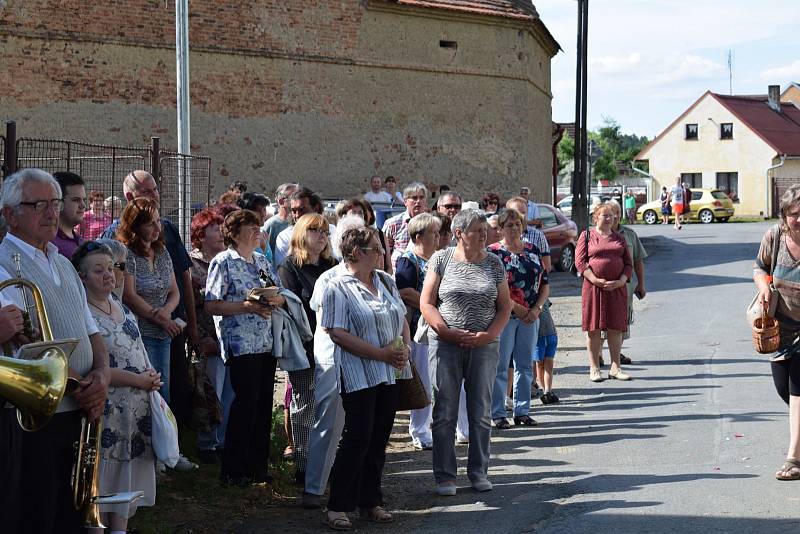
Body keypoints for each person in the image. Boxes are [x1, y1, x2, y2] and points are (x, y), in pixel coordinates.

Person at [0, 168, 110, 534]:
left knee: (70, 514)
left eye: (55, 203)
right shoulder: (2, 265)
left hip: (77, 407)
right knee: (35, 512)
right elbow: (27, 349)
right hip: (33, 415)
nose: (52, 213)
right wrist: (86, 387)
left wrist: (102, 377)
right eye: (38, 205)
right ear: (10, 215)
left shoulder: (63, 261)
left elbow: (92, 331)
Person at [321, 226, 411, 529]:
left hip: (389, 371)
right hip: (359, 373)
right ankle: (338, 505)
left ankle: (371, 500)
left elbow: (401, 317)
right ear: (358, 253)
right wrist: (380, 353)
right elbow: (337, 332)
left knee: (379, 437)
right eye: (377, 249)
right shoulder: (337, 286)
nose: (383, 254)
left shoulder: (385, 280)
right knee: (357, 437)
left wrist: (404, 348)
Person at [420, 210, 511, 496]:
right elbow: (427, 302)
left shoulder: (494, 263)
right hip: (446, 344)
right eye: (477, 230)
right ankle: (445, 476)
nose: (484, 234)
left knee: (481, 410)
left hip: (483, 346)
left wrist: (490, 335)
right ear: (459, 233)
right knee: (444, 409)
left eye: (485, 229)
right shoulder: (441, 259)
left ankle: (478, 471)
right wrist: (445, 331)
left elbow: (505, 306)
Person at [102, 170, 198, 432]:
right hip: (140, 331)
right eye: (151, 223)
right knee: (145, 389)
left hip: (163, 329)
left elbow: (175, 289)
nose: (158, 228)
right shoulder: (126, 252)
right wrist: (160, 317)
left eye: (158, 222)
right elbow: (129, 295)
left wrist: (167, 314)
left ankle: (166, 449)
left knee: (162, 388)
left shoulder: (162, 249)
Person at [72, 241, 158, 532]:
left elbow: (136, 347)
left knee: (126, 473)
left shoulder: (118, 305)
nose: (108, 275)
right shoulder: (82, 313)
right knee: (103, 476)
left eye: (111, 268)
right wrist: (138, 380)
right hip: (106, 410)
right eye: (98, 270)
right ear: (81, 277)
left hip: (134, 410)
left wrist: (151, 376)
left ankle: (119, 529)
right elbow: (94, 367)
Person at [205, 209, 287, 486]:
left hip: (265, 341)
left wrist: (275, 300)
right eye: (250, 226)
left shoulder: (262, 261)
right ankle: (233, 469)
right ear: (234, 232)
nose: (257, 230)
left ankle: (257, 466)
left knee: (264, 404)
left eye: (258, 225)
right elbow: (212, 304)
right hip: (240, 342)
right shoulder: (223, 262)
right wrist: (246, 306)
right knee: (245, 404)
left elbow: (279, 293)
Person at [303, 214, 365, 509]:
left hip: (366, 362)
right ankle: (314, 488)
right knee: (328, 424)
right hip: (335, 360)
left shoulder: (375, 278)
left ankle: (357, 489)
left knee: (362, 429)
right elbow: (331, 326)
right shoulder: (329, 278)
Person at [277, 213, 336, 484]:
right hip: (304, 346)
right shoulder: (289, 267)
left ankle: (329, 461)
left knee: (332, 406)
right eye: (314, 230)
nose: (321, 235)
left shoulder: (332, 266)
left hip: (333, 345)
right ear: (301, 233)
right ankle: (303, 463)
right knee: (304, 406)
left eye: (324, 231)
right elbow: (292, 307)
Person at [753, 184, 800, 481]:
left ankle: (793, 457)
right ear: (784, 214)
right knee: (784, 389)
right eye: (796, 214)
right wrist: (764, 289)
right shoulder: (775, 236)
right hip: (778, 326)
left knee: (798, 387)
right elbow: (759, 267)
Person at [488, 208, 548, 428]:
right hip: (505, 317)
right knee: (501, 365)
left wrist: (537, 309)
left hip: (531, 317)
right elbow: (492, 288)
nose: (513, 228)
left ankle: (522, 411)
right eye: (509, 225)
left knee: (524, 365)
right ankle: (497, 414)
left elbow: (545, 284)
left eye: (517, 224)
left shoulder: (532, 250)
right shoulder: (493, 254)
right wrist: (516, 308)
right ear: (500, 228)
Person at [189, 208, 232, 464]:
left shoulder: (228, 260)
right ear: (201, 234)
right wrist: (200, 338)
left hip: (230, 339)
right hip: (206, 339)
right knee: (209, 392)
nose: (221, 233)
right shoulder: (192, 264)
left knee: (229, 393)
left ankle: (225, 441)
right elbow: (193, 305)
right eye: (215, 229)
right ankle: (207, 443)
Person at [395, 213, 440, 450]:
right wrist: (431, 302)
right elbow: (404, 291)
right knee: (422, 378)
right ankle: (420, 431)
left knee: (440, 378)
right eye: (433, 233)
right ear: (419, 236)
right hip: (419, 328)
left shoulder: (440, 258)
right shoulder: (408, 260)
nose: (438, 237)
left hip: (440, 325)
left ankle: (440, 425)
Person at [575, 202, 634, 383]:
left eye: (611, 216)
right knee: (593, 328)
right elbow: (580, 262)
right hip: (593, 289)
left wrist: (622, 281)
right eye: (604, 215)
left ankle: (615, 367)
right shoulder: (586, 236)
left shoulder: (619, 238)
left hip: (617, 289)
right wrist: (594, 279)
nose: (609, 219)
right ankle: (594, 368)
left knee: (616, 327)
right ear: (595, 217)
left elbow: (628, 264)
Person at [608, 201, 647, 365]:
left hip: (626, 286)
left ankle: (616, 354)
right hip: (604, 285)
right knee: (602, 319)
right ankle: (599, 354)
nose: (615, 216)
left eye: (617, 212)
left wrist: (641, 284)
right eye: (611, 212)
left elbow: (638, 261)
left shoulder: (629, 234)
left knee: (622, 319)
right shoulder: (596, 234)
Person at [274, 187, 331, 267]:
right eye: (294, 211)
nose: (297, 215)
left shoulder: (332, 230)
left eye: (302, 209)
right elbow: (283, 269)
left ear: (315, 208)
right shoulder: (285, 237)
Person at [383, 182, 429, 270]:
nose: (418, 201)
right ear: (405, 202)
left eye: (421, 197)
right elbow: (385, 254)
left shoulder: (433, 224)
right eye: (414, 198)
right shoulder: (392, 223)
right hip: (399, 275)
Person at [506, 197, 551, 272]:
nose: (522, 216)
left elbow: (547, 266)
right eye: (517, 212)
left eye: (524, 212)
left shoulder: (538, 236)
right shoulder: (501, 234)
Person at [51, 171, 87, 258]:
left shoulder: (81, 241)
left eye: (83, 200)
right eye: (75, 200)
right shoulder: (49, 246)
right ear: (57, 202)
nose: (83, 206)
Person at [262, 182, 298, 257]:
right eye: (293, 197)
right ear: (281, 202)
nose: (298, 200)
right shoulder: (271, 225)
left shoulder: (301, 221)